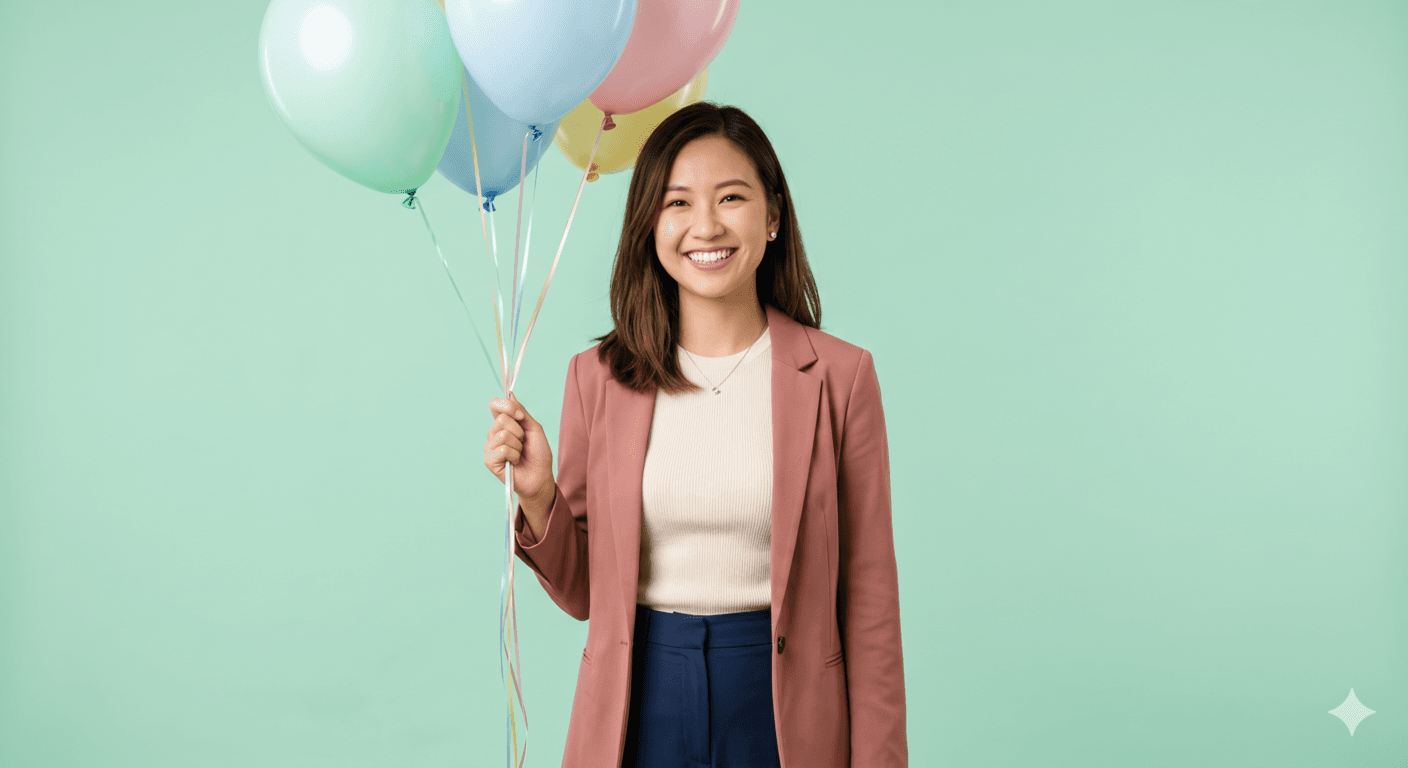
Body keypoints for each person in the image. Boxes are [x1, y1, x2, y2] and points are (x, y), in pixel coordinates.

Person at [483, 102, 907, 768]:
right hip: (639, 704)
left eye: (731, 197)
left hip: (783, 708)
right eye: (677, 202)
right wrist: (539, 498)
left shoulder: (841, 377)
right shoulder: (597, 378)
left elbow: (872, 602)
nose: (705, 225)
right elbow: (584, 595)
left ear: (772, 217)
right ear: (650, 224)